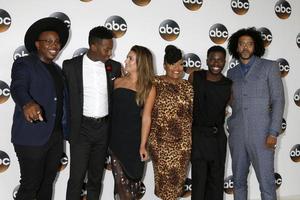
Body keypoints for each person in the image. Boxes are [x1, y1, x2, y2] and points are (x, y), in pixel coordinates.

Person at [10, 17, 69, 200]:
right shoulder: (25, 64)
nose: (54, 45)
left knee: (47, 183)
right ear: (37, 44)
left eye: (57, 42)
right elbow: (17, 87)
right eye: (48, 41)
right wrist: (27, 103)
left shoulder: (58, 70)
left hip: (55, 136)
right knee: (30, 184)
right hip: (31, 136)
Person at [63, 26, 122, 200]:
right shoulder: (70, 66)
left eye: (111, 49)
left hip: (103, 130)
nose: (109, 53)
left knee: (96, 179)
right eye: (106, 49)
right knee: (76, 178)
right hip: (81, 130)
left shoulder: (115, 67)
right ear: (93, 46)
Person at [227, 27, 285, 200]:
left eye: (249, 44)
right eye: (241, 44)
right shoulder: (231, 73)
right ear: (236, 48)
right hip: (237, 135)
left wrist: (273, 133)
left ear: (256, 46)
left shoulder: (270, 67)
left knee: (267, 183)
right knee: (238, 181)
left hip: (263, 136)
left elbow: (278, 101)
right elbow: (232, 101)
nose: (245, 47)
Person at [140, 45, 193, 200]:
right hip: (160, 144)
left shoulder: (188, 87)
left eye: (180, 64)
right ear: (164, 65)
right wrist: (143, 144)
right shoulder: (155, 83)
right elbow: (146, 115)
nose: (177, 68)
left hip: (183, 146)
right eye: (172, 64)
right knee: (165, 187)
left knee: (177, 188)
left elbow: (192, 115)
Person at [109, 45, 155, 199]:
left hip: (134, 142)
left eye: (131, 58)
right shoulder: (117, 82)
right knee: (120, 186)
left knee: (132, 188)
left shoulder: (148, 87)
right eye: (127, 57)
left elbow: (146, 118)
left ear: (141, 63)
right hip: (115, 141)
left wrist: (143, 145)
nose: (126, 61)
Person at [188, 45, 232, 200]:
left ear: (225, 62)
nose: (216, 63)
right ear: (206, 60)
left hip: (217, 137)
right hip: (198, 135)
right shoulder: (195, 77)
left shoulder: (228, 84)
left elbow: (235, 107)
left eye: (220, 60)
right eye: (212, 58)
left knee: (216, 179)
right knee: (199, 181)